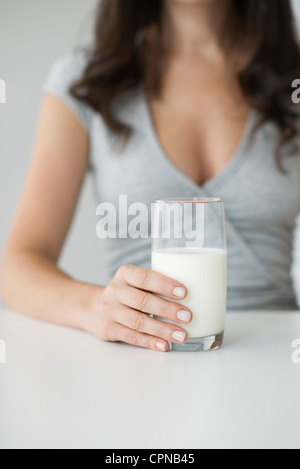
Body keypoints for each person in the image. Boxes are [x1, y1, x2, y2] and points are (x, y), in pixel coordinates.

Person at [1, 0, 300, 352]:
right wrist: (94, 306)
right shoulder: (86, 79)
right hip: (143, 353)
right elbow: (17, 267)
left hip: (272, 349)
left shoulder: (290, 81)